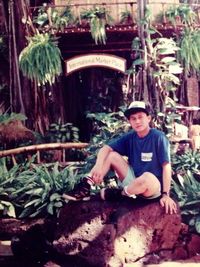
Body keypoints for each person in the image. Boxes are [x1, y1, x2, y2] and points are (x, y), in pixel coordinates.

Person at [63, 101, 177, 214]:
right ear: (129, 122)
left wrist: (165, 194)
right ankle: (86, 186)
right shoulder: (130, 137)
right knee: (112, 155)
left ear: (148, 118)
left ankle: (119, 194)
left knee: (146, 177)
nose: (137, 121)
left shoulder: (159, 137)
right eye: (133, 118)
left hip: (152, 187)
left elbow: (166, 167)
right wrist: (98, 166)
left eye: (140, 117)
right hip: (133, 181)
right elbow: (105, 148)